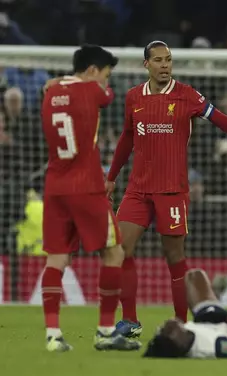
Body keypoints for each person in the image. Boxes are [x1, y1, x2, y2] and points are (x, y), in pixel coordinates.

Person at [106, 41, 227, 338]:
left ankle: (181, 323)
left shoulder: (187, 95)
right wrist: (112, 177)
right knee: (119, 250)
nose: (165, 65)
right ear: (146, 65)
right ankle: (129, 320)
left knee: (174, 258)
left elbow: (225, 122)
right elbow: (127, 139)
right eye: (158, 60)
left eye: (169, 59)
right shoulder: (133, 98)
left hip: (172, 191)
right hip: (138, 190)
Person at [40, 45, 140, 352]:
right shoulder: (94, 92)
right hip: (86, 186)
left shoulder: (48, 94)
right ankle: (106, 330)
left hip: (55, 186)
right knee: (114, 253)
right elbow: (107, 98)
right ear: (93, 70)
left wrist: (57, 82)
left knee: (57, 258)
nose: (107, 84)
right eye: (106, 76)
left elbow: (60, 87)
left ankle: (53, 335)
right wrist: (96, 87)